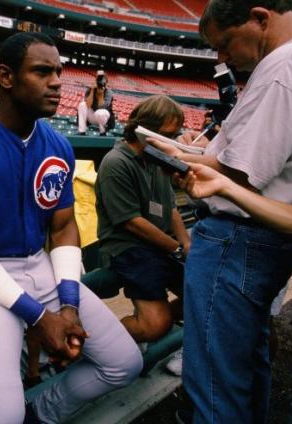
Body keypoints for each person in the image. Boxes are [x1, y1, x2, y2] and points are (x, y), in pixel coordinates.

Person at [0, 32, 142, 423]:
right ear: (6, 77)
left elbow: (62, 229)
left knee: (125, 363)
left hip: (39, 266)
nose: (57, 81)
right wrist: (40, 318)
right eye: (43, 71)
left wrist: (69, 305)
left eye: (59, 72)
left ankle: (41, 413)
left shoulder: (58, 145)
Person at [146, 1, 292, 422]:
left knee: (216, 383)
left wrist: (188, 161)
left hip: (235, 237)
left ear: (260, 18)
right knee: (244, 366)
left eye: (225, 44)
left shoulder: (286, 62)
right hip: (266, 234)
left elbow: (243, 175)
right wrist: (185, 152)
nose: (222, 57)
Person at [95, 95, 190, 347]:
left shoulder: (157, 159)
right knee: (155, 325)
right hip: (128, 247)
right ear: (143, 130)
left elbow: (170, 209)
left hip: (158, 247)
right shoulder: (116, 162)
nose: (172, 142)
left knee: (203, 300)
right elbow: (131, 222)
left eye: (175, 134)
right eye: (166, 134)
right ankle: (88, 342)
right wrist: (177, 249)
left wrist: (186, 243)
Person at [77, 70, 115, 136]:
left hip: (104, 118)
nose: (101, 83)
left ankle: (102, 131)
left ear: (106, 83)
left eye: (103, 81)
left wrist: (101, 95)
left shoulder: (109, 93)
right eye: (99, 81)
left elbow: (103, 108)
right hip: (93, 116)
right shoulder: (90, 90)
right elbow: (87, 105)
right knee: (82, 104)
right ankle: (82, 131)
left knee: (101, 112)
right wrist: (92, 90)